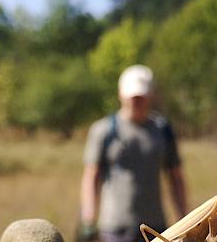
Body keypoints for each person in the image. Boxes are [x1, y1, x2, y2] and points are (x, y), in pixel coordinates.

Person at [78, 65, 188, 242]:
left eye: (141, 97)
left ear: (150, 95)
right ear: (121, 94)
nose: (136, 102)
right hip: (114, 228)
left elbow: (175, 177)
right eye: (132, 97)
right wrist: (88, 218)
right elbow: (91, 176)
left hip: (156, 228)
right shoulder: (103, 130)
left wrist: (185, 219)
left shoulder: (163, 130)